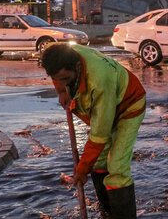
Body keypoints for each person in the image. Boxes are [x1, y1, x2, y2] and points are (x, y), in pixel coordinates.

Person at [41, 43, 146, 219]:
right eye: (58, 79)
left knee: (117, 167)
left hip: (129, 105)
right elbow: (57, 75)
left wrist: (81, 170)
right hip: (106, 107)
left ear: (76, 67)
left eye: (65, 79)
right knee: (98, 162)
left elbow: (99, 136)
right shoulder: (62, 55)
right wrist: (61, 91)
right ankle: (108, 212)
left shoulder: (99, 80)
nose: (62, 82)